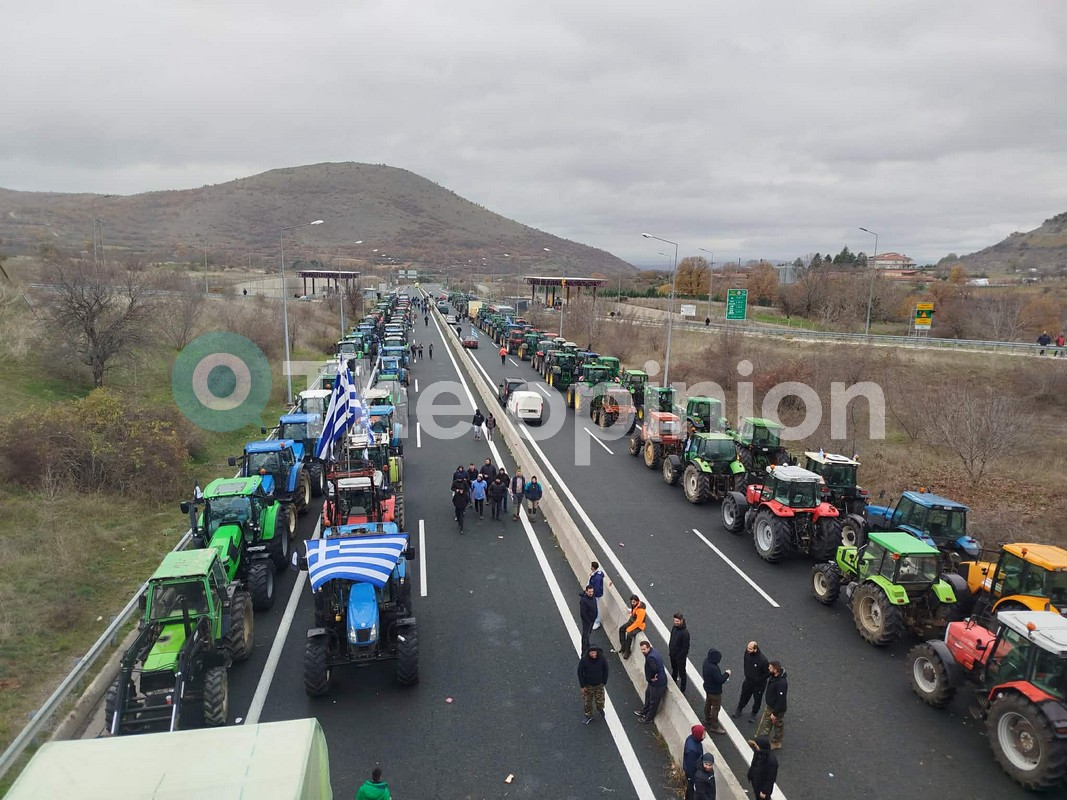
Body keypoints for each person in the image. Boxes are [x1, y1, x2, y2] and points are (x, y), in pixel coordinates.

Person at [733, 641, 770, 722]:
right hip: (748, 681)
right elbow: (745, 663)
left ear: (755, 649)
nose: (747, 650)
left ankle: (754, 713)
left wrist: (758, 680)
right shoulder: (747, 653)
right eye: (747, 648)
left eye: (750, 649)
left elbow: (767, 673)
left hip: (759, 685)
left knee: (757, 699)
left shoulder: (763, 660)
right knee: (744, 695)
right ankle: (739, 709)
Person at [755, 660, 787, 750]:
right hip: (770, 706)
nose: (768, 668)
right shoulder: (773, 676)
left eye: (770, 667)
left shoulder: (781, 683)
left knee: (778, 726)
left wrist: (775, 714)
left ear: (776, 670)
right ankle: (761, 741)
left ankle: (776, 742)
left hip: (777, 709)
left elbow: (781, 700)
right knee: (766, 723)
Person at [635, 640, 667, 723]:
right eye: (641, 649)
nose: (643, 651)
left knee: (654, 701)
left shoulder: (650, 657)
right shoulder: (653, 652)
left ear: (648, 648)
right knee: (648, 695)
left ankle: (649, 718)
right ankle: (644, 711)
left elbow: (654, 669)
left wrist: (652, 677)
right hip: (654, 683)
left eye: (644, 649)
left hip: (657, 683)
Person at [701, 648, 732, 734]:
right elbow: (720, 680)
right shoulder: (714, 668)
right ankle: (714, 726)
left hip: (707, 688)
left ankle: (707, 718)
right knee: (715, 708)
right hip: (715, 692)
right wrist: (727, 674)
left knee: (708, 703)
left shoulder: (706, 662)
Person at [577, 643, 608, 724]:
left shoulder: (602, 658)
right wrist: (582, 685)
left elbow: (606, 670)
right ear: (589, 653)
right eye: (592, 653)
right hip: (588, 685)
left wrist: (604, 681)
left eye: (595, 653)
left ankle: (600, 709)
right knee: (587, 702)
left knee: (600, 700)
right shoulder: (584, 660)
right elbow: (580, 672)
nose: (594, 654)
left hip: (599, 685)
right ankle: (588, 715)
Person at [618, 594, 647, 659]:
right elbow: (634, 612)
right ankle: (623, 646)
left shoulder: (641, 610)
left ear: (637, 601)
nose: (632, 603)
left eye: (634, 602)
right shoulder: (636, 606)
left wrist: (630, 628)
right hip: (632, 621)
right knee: (621, 629)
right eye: (631, 602)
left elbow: (638, 622)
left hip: (639, 626)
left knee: (629, 635)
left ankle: (627, 651)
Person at [683, 724, 706, 800]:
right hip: (692, 775)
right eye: (703, 733)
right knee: (692, 790)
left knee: (690, 788)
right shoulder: (692, 750)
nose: (705, 734)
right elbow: (691, 767)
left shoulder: (692, 739)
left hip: (692, 772)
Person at [669, 613, 691, 692]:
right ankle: (674, 680)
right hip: (672, 654)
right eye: (674, 621)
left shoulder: (685, 633)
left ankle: (683, 688)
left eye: (677, 621)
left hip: (680, 657)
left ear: (681, 620)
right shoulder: (674, 627)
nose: (675, 622)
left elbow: (686, 648)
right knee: (674, 668)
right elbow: (671, 638)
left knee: (682, 672)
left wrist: (680, 656)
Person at [579, 585, 597, 652]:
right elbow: (583, 613)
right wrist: (588, 621)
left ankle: (587, 644)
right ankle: (584, 650)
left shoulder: (593, 596)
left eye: (592, 591)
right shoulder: (583, 600)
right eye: (589, 592)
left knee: (588, 633)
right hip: (587, 621)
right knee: (585, 635)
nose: (591, 593)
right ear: (586, 591)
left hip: (592, 620)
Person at [589, 561, 606, 630]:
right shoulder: (597, 574)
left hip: (595, 594)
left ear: (593, 567)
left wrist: (591, 594)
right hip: (595, 593)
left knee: (596, 607)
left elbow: (595, 587)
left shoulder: (597, 578)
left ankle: (597, 621)